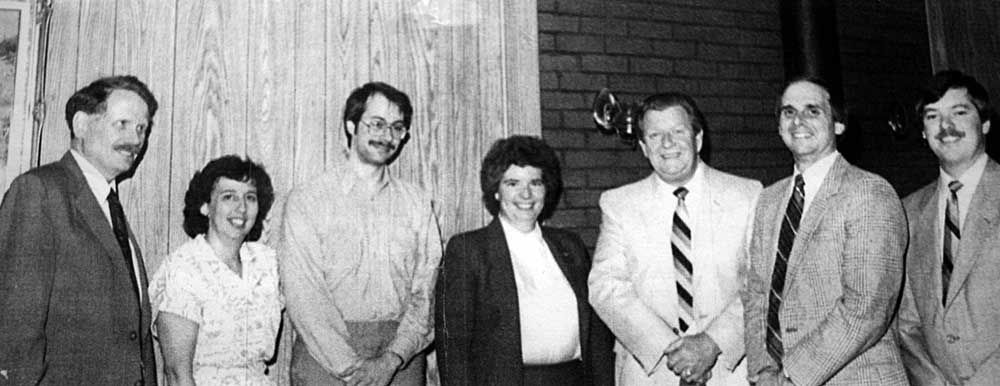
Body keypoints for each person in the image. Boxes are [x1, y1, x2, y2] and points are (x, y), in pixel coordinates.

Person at [742, 77, 908, 385]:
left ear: (839, 125)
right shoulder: (768, 200)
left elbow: (866, 309)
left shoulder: (869, 192)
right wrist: (763, 372)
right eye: (788, 112)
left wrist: (793, 376)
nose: (798, 121)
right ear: (779, 127)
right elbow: (756, 295)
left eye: (813, 111)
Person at [588, 92, 761, 385]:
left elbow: (762, 283)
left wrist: (711, 343)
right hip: (652, 371)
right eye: (655, 135)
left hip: (729, 371)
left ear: (698, 139)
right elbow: (606, 286)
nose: (667, 143)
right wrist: (671, 349)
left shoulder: (748, 195)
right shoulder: (619, 204)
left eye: (678, 131)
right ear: (643, 147)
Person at [278, 82, 442, 386]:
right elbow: (304, 294)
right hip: (324, 358)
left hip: (401, 359)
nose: (387, 136)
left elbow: (428, 289)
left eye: (397, 127)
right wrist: (351, 368)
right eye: (377, 124)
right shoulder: (309, 199)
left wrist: (393, 359)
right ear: (351, 125)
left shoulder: (416, 201)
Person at [0, 75, 159, 385]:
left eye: (142, 129)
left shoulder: (109, 206)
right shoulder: (40, 191)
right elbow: (14, 328)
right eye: (122, 124)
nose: (135, 140)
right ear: (82, 124)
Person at [435, 135, 614, 385]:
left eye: (535, 182)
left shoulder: (570, 247)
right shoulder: (469, 249)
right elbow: (454, 349)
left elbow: (597, 336)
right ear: (496, 191)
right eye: (512, 183)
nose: (526, 194)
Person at [897, 70, 1000, 385]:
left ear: (984, 123)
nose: (946, 127)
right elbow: (906, 322)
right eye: (932, 116)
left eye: (959, 112)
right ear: (924, 132)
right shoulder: (908, 211)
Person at [149, 155, 281, 385]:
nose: (241, 207)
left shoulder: (265, 262)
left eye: (250, 197)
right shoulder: (185, 268)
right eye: (228, 197)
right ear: (205, 206)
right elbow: (177, 373)